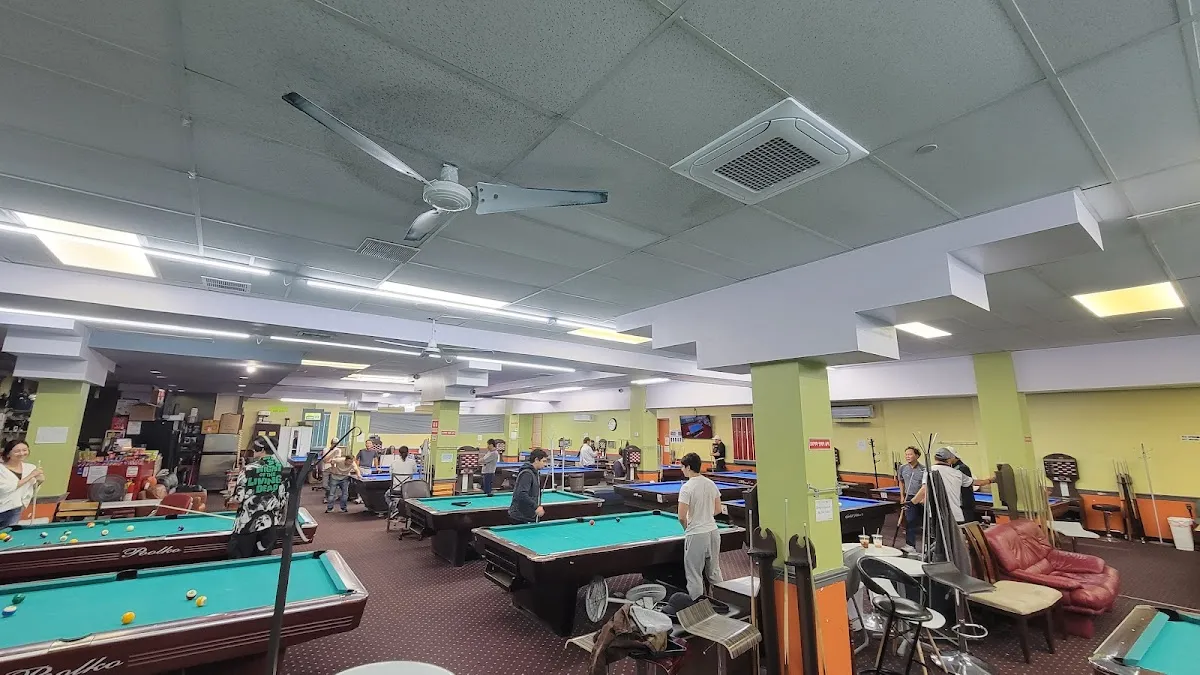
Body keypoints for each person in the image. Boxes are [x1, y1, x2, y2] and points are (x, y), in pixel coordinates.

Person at [226, 437, 288, 558]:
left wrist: (230, 497)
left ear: (262, 450)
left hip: (247, 525)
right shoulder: (283, 468)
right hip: (271, 523)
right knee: (262, 560)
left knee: (239, 560)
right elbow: (284, 497)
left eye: (255, 448)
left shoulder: (248, 469)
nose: (253, 450)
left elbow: (238, 498)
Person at [677, 452, 723, 599]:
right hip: (713, 532)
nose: (681, 470)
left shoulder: (686, 487)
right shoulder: (710, 483)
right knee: (714, 572)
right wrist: (705, 515)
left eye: (682, 467)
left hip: (696, 534)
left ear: (688, 467)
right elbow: (718, 509)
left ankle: (698, 607)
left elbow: (681, 516)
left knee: (694, 575)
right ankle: (723, 602)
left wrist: (688, 528)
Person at [912, 448, 994, 524]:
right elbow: (977, 483)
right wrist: (991, 480)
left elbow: (924, 489)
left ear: (935, 458)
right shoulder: (957, 473)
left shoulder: (929, 471)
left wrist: (912, 503)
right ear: (949, 460)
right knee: (959, 534)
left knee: (939, 535)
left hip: (937, 515)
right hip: (955, 515)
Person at [0, 441, 42, 527]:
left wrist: (40, 481)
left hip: (15, 508)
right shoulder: (1, 469)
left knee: (8, 534)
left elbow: (31, 488)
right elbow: (4, 488)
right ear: (8, 454)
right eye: (17, 451)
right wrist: (31, 476)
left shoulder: (30, 468)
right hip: (2, 506)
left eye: (24, 450)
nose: (22, 453)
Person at [508, 448, 549, 524]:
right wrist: (536, 506)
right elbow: (521, 494)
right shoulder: (527, 474)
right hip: (519, 517)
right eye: (544, 461)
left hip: (528, 515)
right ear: (536, 460)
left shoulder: (535, 473)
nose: (545, 464)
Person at [897, 446, 925, 552]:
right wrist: (902, 496)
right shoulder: (902, 468)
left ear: (917, 456)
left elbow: (926, 486)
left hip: (921, 498)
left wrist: (924, 498)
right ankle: (910, 545)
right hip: (909, 497)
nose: (907, 456)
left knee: (925, 522)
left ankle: (927, 545)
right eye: (906, 454)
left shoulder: (923, 469)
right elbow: (901, 481)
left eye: (910, 454)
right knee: (910, 521)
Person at [944, 449, 980, 523]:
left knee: (966, 525)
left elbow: (966, 484)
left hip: (964, 503)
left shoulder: (962, 468)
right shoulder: (953, 467)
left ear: (953, 457)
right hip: (959, 503)